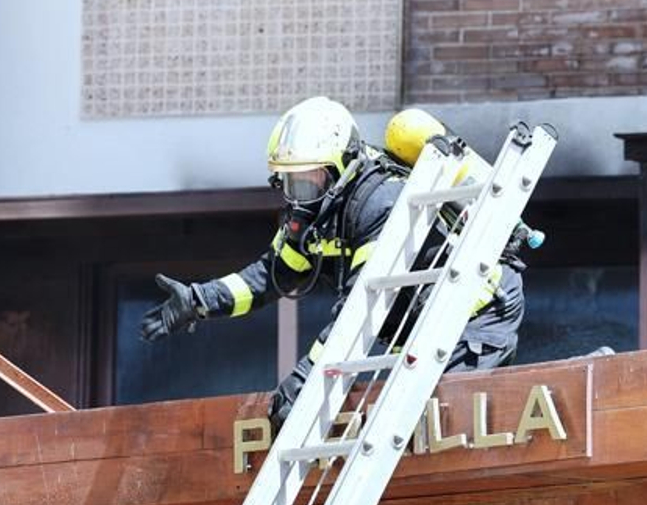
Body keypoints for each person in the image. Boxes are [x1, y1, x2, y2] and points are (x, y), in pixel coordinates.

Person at [139, 97, 527, 426]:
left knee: (445, 428)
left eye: (308, 182)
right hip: (420, 328)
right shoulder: (316, 217)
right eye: (290, 184)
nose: (299, 198)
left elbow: (360, 310)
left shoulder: (382, 203)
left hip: (474, 318)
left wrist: (307, 376)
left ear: (342, 166)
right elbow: (270, 276)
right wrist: (200, 300)